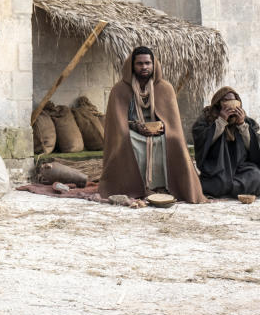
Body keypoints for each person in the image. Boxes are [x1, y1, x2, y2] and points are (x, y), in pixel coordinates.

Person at [99, 46, 206, 203]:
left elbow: (172, 121)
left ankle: (163, 186)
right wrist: (135, 126)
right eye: (140, 64)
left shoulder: (165, 88)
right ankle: (137, 187)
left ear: (153, 65)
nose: (144, 67)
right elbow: (117, 123)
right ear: (132, 66)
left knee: (173, 140)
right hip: (133, 131)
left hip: (160, 132)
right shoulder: (120, 89)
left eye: (148, 63)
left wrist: (163, 127)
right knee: (126, 140)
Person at [192, 87, 260, 197]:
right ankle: (232, 188)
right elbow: (201, 139)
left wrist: (241, 125)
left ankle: (228, 188)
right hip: (218, 168)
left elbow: (253, 147)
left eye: (233, 100)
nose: (230, 103)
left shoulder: (245, 120)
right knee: (219, 183)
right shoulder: (207, 118)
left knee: (256, 176)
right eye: (226, 100)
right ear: (218, 103)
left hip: (240, 168)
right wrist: (221, 121)